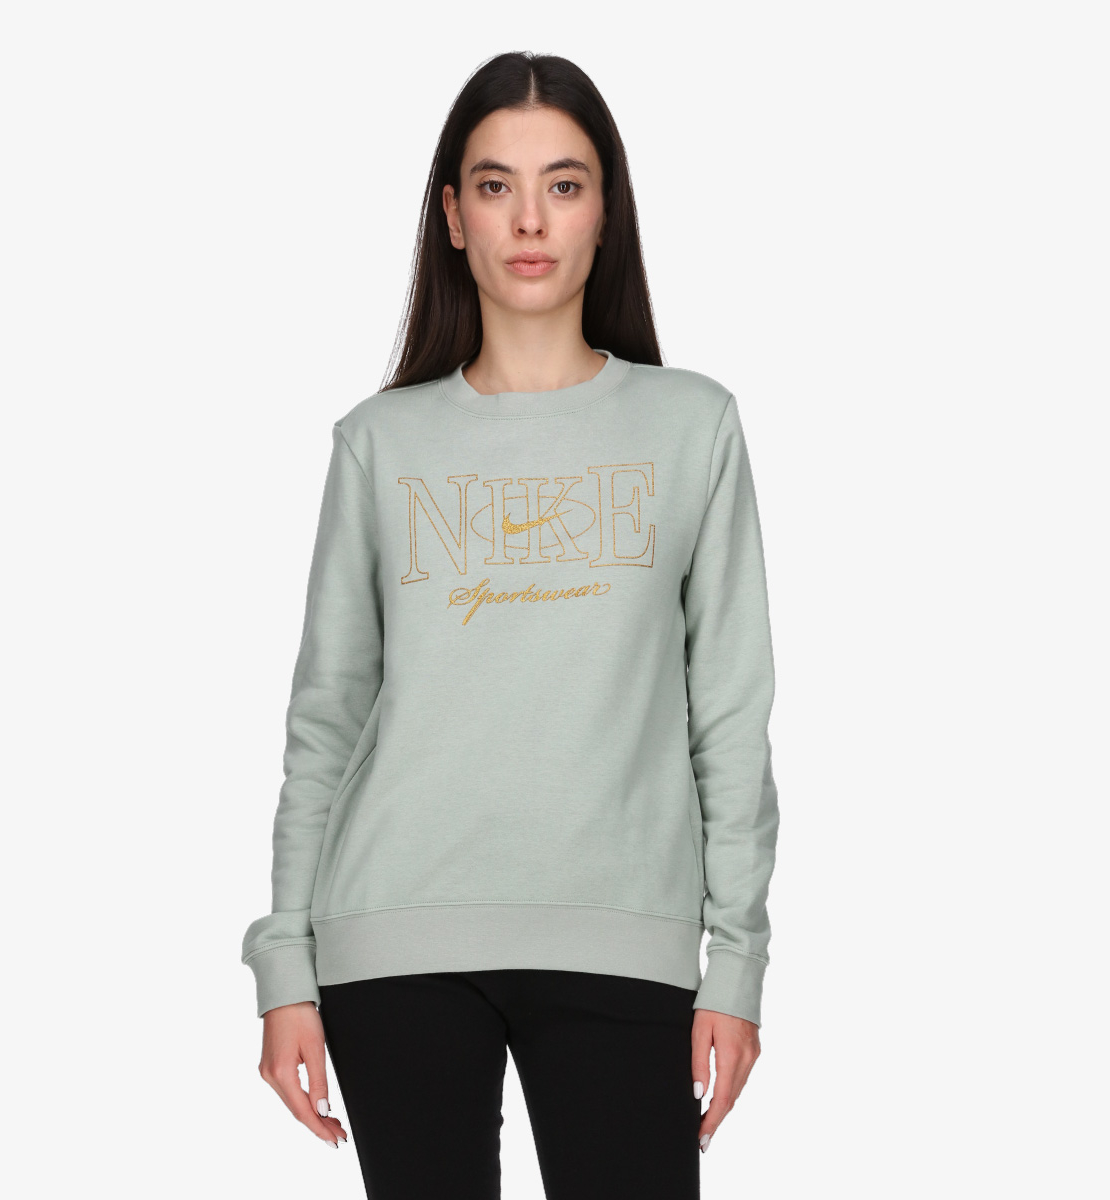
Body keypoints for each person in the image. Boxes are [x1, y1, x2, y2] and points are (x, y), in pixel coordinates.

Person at [241, 50, 780, 1199]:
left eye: (563, 184)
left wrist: (736, 965)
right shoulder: (379, 443)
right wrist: (284, 960)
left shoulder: (693, 428)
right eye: (495, 186)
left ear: (605, 211)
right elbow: (326, 717)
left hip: (623, 936)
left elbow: (729, 717)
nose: (529, 219)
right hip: (395, 936)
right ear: (453, 216)